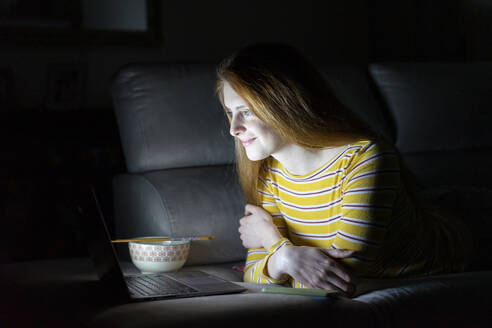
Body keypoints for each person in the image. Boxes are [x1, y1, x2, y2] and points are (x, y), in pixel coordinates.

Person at [215, 43, 470, 296]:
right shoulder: (269, 173)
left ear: (283, 104)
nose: (233, 128)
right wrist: (284, 258)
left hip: (468, 241)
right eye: (230, 112)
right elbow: (253, 274)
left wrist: (271, 241)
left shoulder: (365, 158)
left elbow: (336, 278)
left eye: (246, 111)